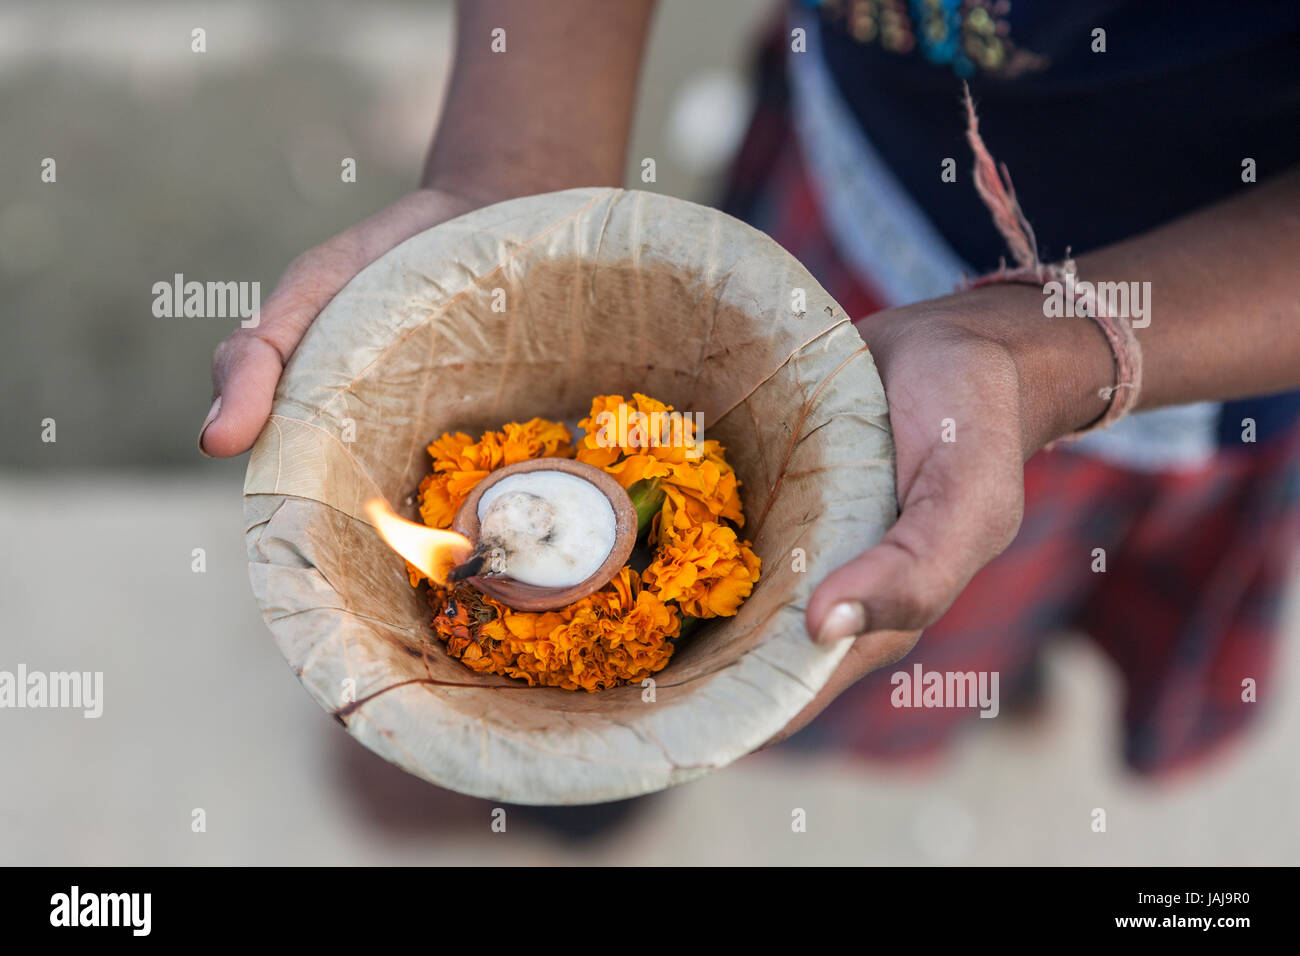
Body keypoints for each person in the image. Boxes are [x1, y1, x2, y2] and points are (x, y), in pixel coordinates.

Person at [201, 0, 1300, 773]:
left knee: (977, 583)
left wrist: (1045, 351)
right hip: (857, 177)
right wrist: (509, 172)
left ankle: (1010, 667)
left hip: (1212, 323)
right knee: (905, 598)